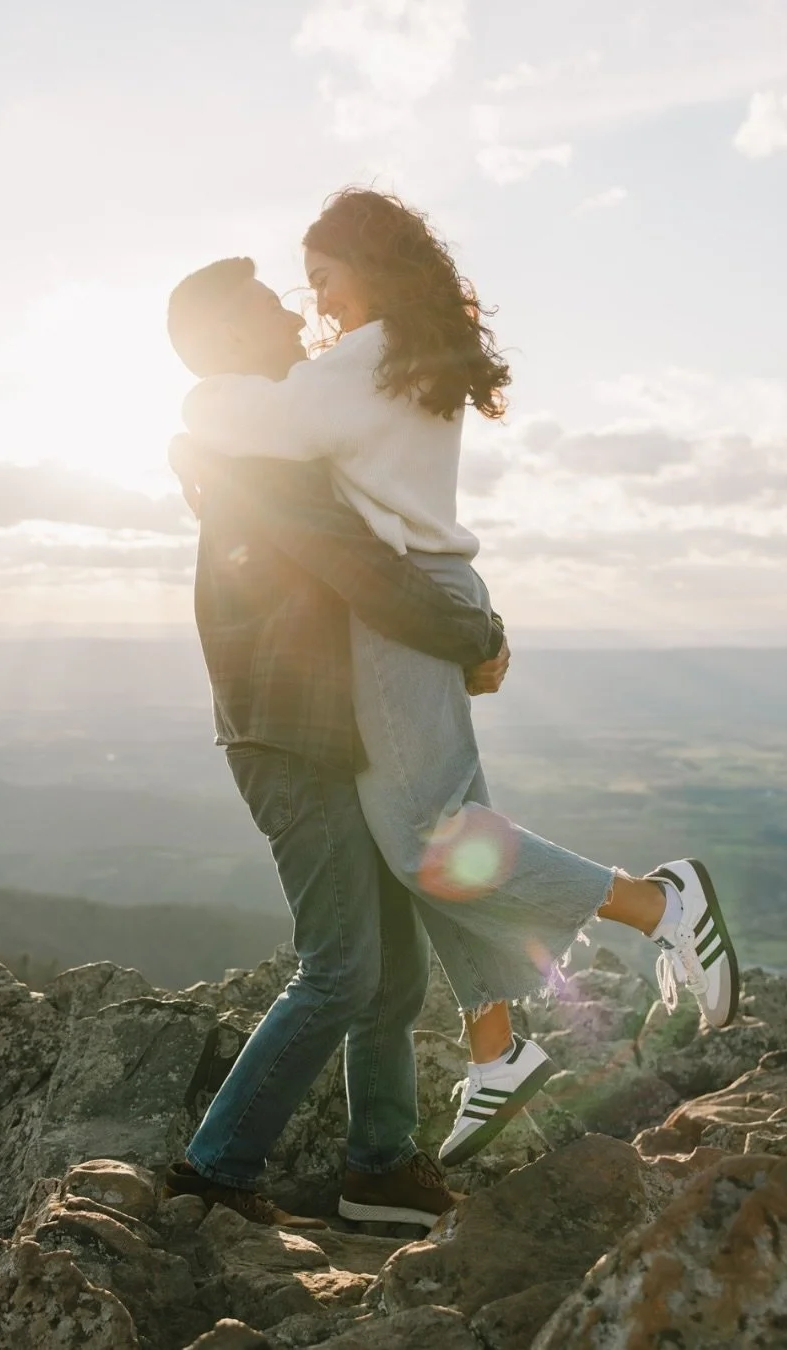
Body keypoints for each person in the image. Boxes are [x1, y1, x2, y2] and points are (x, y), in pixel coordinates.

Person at [177, 188, 741, 1168]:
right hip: (378, 634)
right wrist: (468, 624)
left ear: (366, 267)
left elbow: (294, 462)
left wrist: (463, 629)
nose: (304, 305)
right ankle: (492, 1050)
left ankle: (658, 906)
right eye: (288, 290)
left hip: (397, 615)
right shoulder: (380, 364)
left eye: (316, 280)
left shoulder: (353, 366)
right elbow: (323, 492)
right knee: (439, 837)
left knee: (430, 847)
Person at [161, 256, 510, 1228]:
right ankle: (214, 1175)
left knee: (391, 973)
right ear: (232, 339)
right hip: (287, 737)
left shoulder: (276, 438)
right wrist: (477, 634)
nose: (294, 312)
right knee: (344, 967)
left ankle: (379, 1169)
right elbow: (364, 570)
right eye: (271, 305)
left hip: (331, 731)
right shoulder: (257, 460)